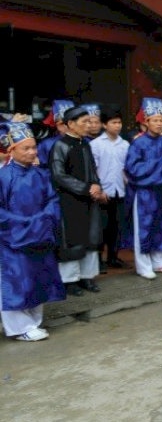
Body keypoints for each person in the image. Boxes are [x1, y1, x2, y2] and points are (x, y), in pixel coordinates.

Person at [0, 121, 65, 342]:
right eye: (25, 148)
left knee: (39, 277)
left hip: (40, 235)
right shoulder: (3, 177)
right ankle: (19, 327)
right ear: (11, 149)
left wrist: (44, 218)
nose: (32, 152)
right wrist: (25, 223)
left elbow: (52, 199)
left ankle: (34, 322)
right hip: (13, 239)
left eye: (34, 147)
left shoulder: (40, 174)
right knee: (16, 281)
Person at [122, 98, 162, 280]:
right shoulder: (138, 143)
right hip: (145, 192)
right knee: (145, 228)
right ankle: (144, 266)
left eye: (161, 120)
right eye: (154, 120)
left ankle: (161, 262)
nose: (159, 123)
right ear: (146, 122)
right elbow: (132, 168)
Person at [50, 105, 106, 296]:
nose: (88, 125)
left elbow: (92, 169)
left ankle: (87, 277)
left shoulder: (85, 144)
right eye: (84, 122)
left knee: (90, 238)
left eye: (90, 121)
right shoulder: (60, 146)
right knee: (72, 240)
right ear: (70, 124)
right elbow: (58, 175)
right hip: (70, 200)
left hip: (89, 199)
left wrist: (97, 186)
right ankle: (70, 281)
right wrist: (84, 188)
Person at [89, 108, 129, 271]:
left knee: (117, 226)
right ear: (105, 125)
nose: (117, 126)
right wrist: (99, 190)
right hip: (103, 192)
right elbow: (93, 169)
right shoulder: (96, 144)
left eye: (119, 122)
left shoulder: (125, 144)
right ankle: (98, 260)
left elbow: (126, 168)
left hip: (120, 191)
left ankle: (113, 257)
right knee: (101, 228)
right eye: (113, 122)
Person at [37, 99, 74, 181]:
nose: (66, 127)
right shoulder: (46, 145)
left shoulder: (85, 142)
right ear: (55, 125)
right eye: (62, 124)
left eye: (70, 123)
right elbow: (40, 171)